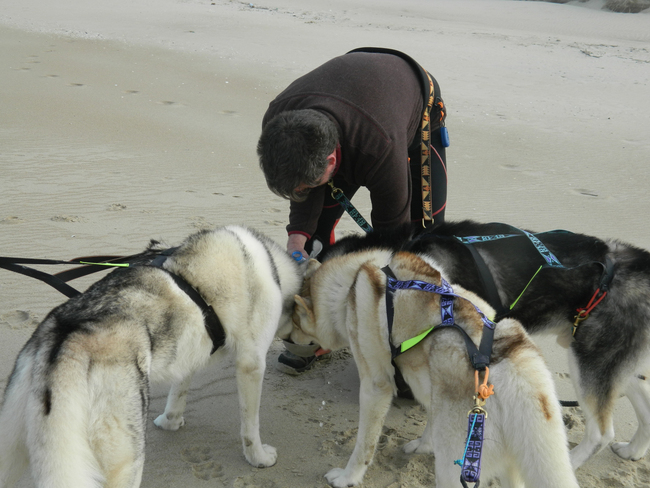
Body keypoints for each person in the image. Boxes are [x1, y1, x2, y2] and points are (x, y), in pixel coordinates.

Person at [257, 47, 449, 374]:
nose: (304, 193)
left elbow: (392, 242)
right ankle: (314, 328)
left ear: (332, 161)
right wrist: (297, 237)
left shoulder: (380, 148)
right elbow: (303, 191)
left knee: (420, 244)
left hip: (415, 100)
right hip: (349, 99)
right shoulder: (280, 121)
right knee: (313, 241)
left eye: (308, 186)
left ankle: (411, 343)